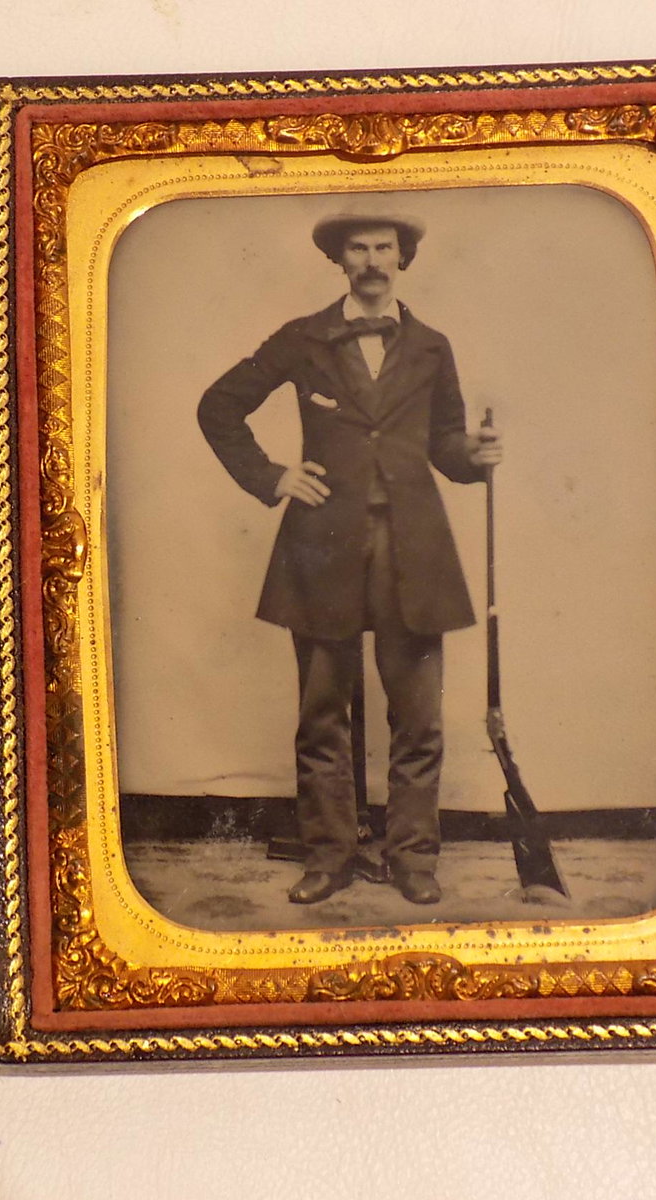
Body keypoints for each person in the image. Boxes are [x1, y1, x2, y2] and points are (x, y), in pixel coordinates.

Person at [196, 209, 502, 906]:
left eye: (383, 248)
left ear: (403, 258)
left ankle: (413, 860)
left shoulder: (431, 346)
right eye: (357, 248)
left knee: (419, 719)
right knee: (322, 714)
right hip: (323, 547)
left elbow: (446, 443)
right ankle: (327, 858)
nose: (371, 259)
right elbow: (219, 406)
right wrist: (273, 476)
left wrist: (475, 458)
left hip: (413, 550)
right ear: (340, 260)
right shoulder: (303, 339)